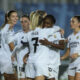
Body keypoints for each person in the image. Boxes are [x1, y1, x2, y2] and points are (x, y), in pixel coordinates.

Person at [22, 11, 65, 80]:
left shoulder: (30, 33)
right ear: (42, 21)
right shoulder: (46, 31)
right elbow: (56, 28)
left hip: (31, 61)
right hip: (41, 62)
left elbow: (27, 43)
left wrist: (26, 54)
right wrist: (60, 29)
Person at [0, 10, 18, 80]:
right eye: (13, 16)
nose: (16, 18)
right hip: (7, 60)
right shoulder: (8, 29)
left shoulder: (5, 28)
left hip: (4, 59)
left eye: (16, 16)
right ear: (8, 18)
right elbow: (12, 47)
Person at [61, 16, 80, 80]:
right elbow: (68, 51)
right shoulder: (70, 37)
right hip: (72, 62)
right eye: (70, 21)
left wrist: (78, 54)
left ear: (79, 24)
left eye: (73, 21)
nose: (70, 23)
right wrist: (62, 58)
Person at [12, 15, 30, 80]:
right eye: (22, 22)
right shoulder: (18, 34)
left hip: (30, 62)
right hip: (21, 64)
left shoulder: (34, 34)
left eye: (25, 21)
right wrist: (13, 55)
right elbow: (8, 41)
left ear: (30, 22)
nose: (23, 24)